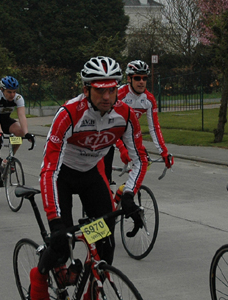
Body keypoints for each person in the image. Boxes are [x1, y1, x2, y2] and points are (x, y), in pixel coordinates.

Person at [29, 56, 149, 300]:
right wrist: (55, 221)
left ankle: (92, 290)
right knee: (62, 245)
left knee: (105, 245)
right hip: (63, 175)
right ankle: (39, 275)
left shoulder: (125, 115)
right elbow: (49, 169)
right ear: (86, 90)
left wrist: (128, 194)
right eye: (99, 90)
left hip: (91, 174)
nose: (107, 97)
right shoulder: (69, 114)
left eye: (112, 90)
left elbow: (140, 159)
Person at [103, 59, 174, 183]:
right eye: (137, 78)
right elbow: (108, 125)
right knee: (105, 171)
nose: (141, 82)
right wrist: (121, 148)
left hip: (128, 135)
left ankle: (125, 193)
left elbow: (154, 127)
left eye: (144, 78)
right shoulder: (119, 95)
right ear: (129, 78)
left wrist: (164, 152)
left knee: (143, 162)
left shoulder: (149, 100)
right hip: (109, 133)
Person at [0, 76, 34, 202]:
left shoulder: (18, 98)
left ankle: (7, 160)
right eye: (9, 92)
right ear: (2, 90)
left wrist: (27, 133)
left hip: (5, 120)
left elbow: (22, 116)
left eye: (14, 91)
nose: (12, 94)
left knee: (20, 133)